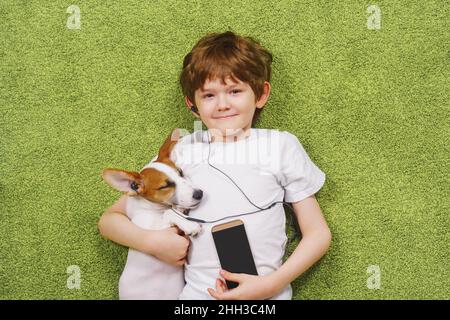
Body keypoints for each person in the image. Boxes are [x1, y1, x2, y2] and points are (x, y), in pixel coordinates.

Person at [98, 31, 331, 300]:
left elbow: (318, 234)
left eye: (235, 91)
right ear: (192, 104)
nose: (222, 104)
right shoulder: (181, 149)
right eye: (208, 95)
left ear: (261, 94)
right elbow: (109, 221)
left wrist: (271, 285)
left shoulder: (280, 146)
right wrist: (152, 242)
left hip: (264, 298)